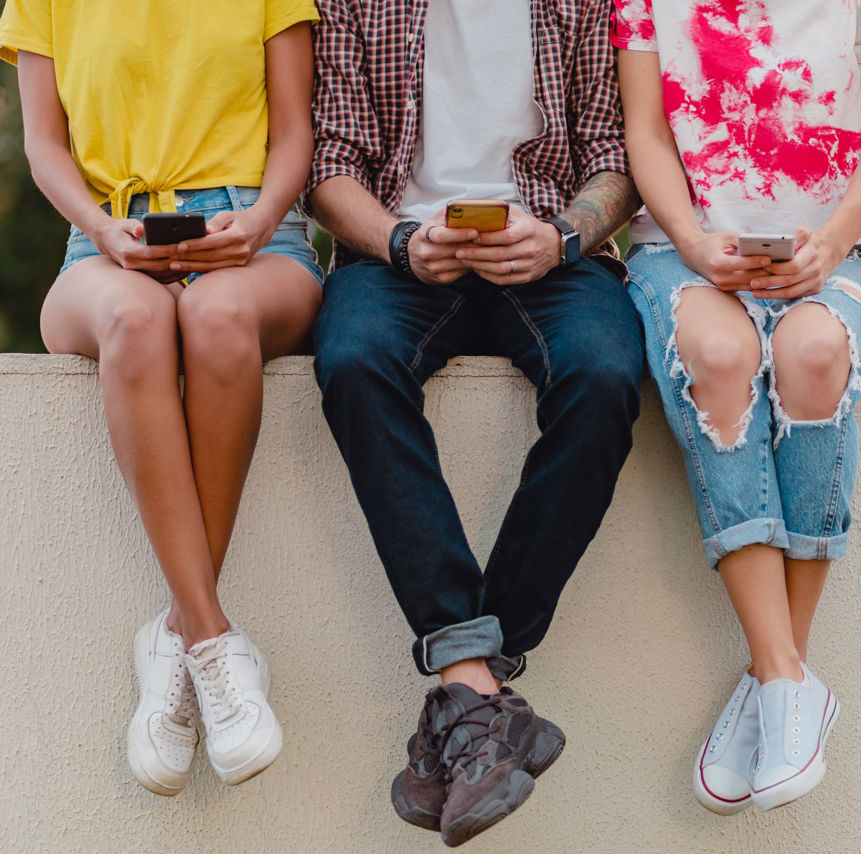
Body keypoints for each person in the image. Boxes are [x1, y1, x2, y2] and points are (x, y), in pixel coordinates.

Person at [612, 0, 861, 814]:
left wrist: (831, 242)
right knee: (721, 356)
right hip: (684, 255)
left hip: (836, 253)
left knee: (811, 354)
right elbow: (648, 135)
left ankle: (776, 678)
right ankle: (785, 680)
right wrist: (699, 245)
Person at [306, 0, 644, 845]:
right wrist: (398, 239)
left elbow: (618, 159)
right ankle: (480, 688)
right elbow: (329, 168)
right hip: (399, 259)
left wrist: (563, 235)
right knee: (352, 362)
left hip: (549, 256)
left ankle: (473, 683)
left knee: (604, 374)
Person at [0, 0, 324, 796]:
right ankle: (209, 638)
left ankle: (170, 642)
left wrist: (261, 219)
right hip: (103, 242)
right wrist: (101, 230)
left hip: (255, 235)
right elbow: (43, 143)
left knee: (216, 316)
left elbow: (294, 134)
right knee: (138, 323)